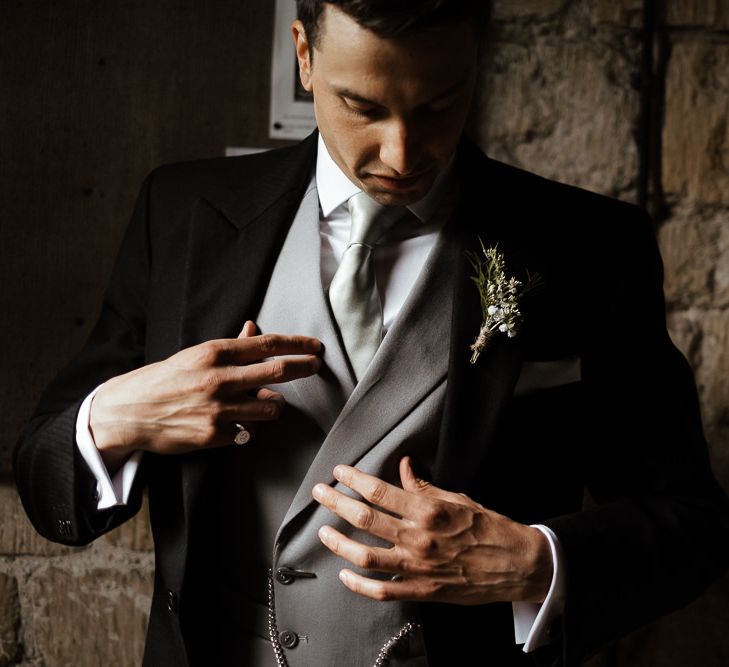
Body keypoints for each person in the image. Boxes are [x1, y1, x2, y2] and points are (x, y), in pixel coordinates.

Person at [13, 1, 729, 666]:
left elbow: (692, 524)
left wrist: (534, 560)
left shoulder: (589, 248)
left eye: (439, 103)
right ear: (303, 55)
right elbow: (49, 485)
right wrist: (116, 417)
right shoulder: (180, 211)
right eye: (362, 106)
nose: (400, 151)